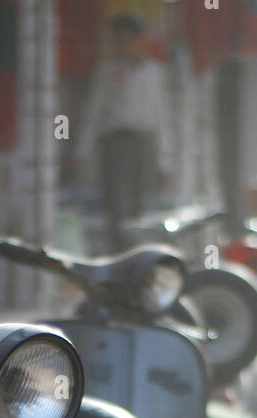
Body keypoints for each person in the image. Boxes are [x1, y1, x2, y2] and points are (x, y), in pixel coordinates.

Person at [75, 13, 173, 250]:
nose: (122, 46)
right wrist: (82, 150)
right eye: (117, 41)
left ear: (139, 41)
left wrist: (165, 162)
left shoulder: (153, 73)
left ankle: (138, 256)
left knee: (140, 206)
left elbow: (162, 118)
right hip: (116, 143)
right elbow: (94, 112)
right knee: (117, 206)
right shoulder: (107, 71)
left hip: (144, 143)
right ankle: (118, 255)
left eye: (126, 40)